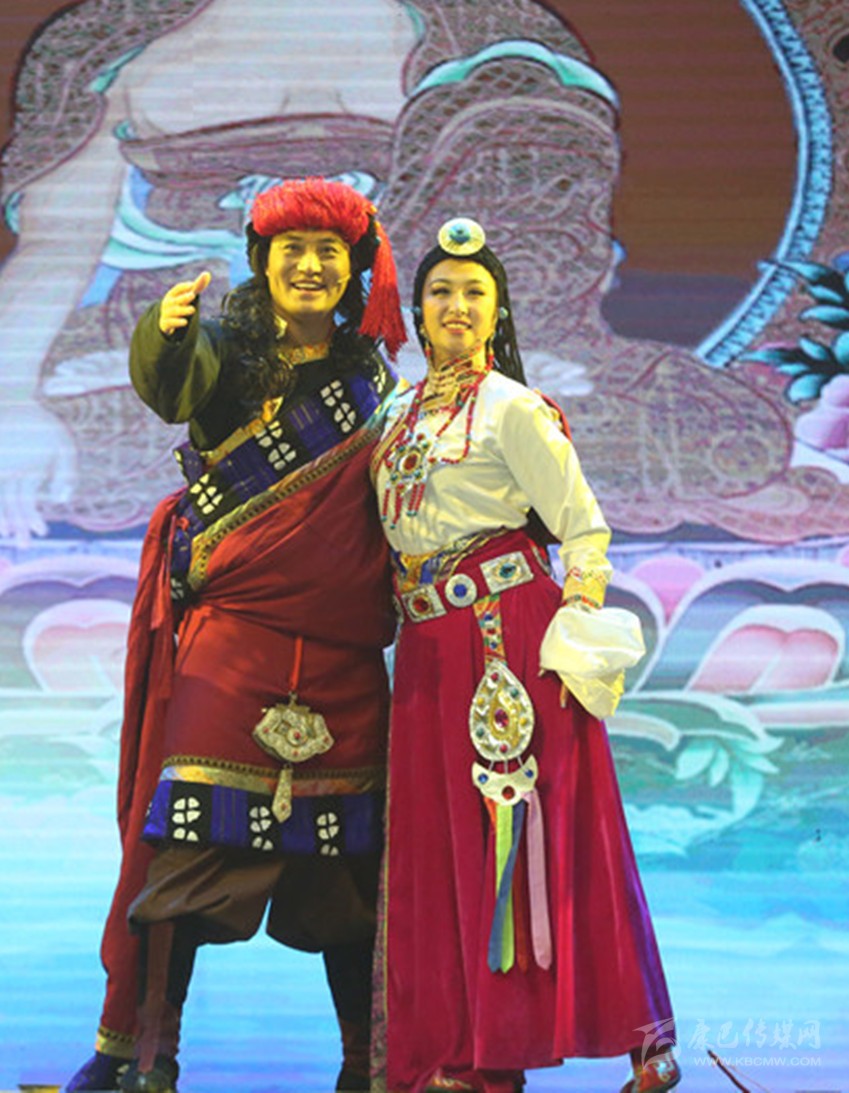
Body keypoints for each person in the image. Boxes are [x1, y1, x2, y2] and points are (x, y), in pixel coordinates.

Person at [65, 176, 407, 1093]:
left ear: (355, 270)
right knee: (186, 846)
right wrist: (167, 331)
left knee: (351, 868)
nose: (311, 265)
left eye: (329, 251)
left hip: (343, 657)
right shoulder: (224, 350)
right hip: (233, 646)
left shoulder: (378, 384)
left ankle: (367, 1065)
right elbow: (171, 386)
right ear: (263, 263)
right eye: (292, 249)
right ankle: (149, 1058)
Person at [370, 219, 680, 1093]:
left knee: (542, 834)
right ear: (416, 313)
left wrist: (572, 638)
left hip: (506, 644)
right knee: (441, 848)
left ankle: (644, 1043)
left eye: (474, 292)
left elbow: (583, 531)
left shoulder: (514, 407)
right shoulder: (393, 415)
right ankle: (467, 1054)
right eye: (440, 291)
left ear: (498, 311)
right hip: (426, 651)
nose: (456, 305)